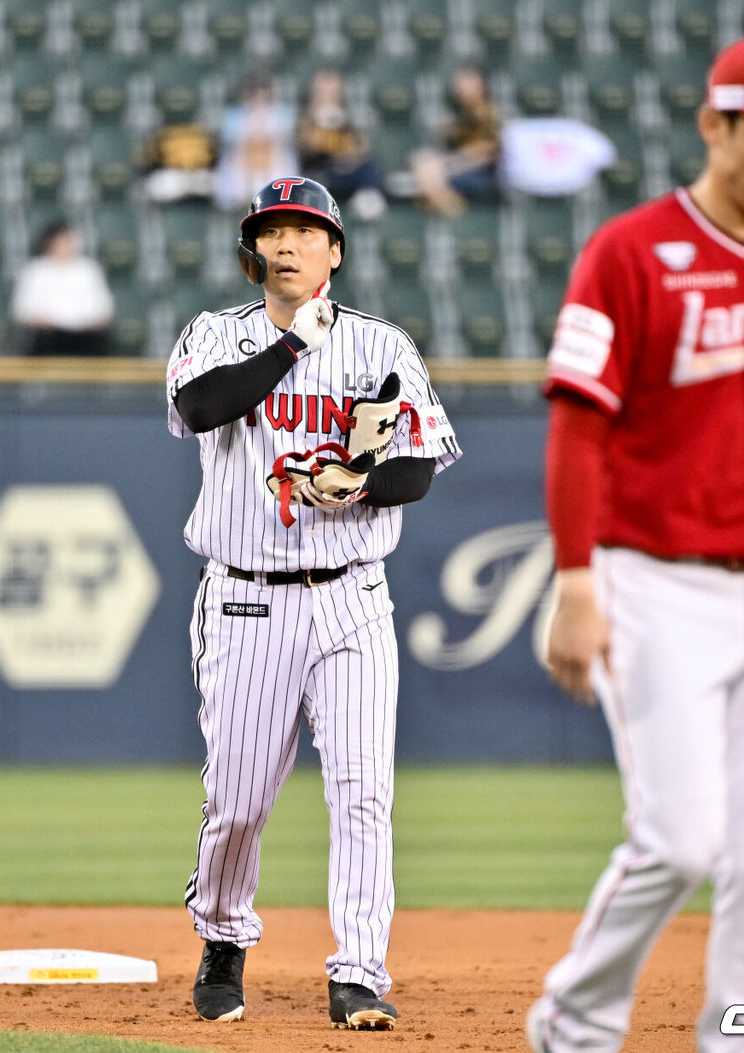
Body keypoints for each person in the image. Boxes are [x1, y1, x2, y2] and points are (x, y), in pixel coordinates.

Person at [528, 34, 744, 1053]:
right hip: (656, 584)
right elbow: (578, 430)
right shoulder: (627, 254)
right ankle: (575, 1018)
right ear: (714, 124)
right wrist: (577, 581)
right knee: (679, 840)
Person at [165, 176, 461, 1030]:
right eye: (272, 230)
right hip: (248, 599)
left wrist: (361, 480)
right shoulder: (216, 333)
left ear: (336, 249)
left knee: (363, 789)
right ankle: (223, 937)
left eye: (305, 229)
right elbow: (200, 404)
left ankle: (359, 971)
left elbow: (418, 468)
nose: (286, 243)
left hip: (352, 597)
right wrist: (293, 346)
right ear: (253, 250)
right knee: (240, 798)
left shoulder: (381, 347)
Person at [9, 220, 114, 356]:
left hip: (85, 337)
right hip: (49, 337)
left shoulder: (89, 269)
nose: (65, 246)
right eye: (60, 242)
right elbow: (21, 311)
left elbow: (104, 310)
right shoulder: (35, 271)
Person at [407, 65, 501, 215]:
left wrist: (449, 164)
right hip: (458, 168)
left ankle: (449, 209)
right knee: (422, 160)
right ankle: (448, 205)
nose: (463, 88)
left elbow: (486, 153)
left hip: (484, 174)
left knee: (429, 175)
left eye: (469, 83)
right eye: (461, 84)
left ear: (482, 86)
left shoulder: (490, 114)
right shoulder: (459, 116)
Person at [296, 69, 387, 222]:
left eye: (333, 90)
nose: (329, 94)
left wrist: (349, 153)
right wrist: (318, 115)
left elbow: (362, 148)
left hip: (347, 171)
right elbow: (308, 146)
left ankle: (367, 199)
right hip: (320, 171)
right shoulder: (306, 116)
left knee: (367, 168)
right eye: (324, 90)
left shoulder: (350, 115)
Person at [211, 75, 298, 213]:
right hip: (241, 177)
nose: (259, 102)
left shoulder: (281, 116)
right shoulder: (233, 117)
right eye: (255, 97)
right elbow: (233, 150)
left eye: (264, 98)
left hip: (273, 172)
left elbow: (282, 150)